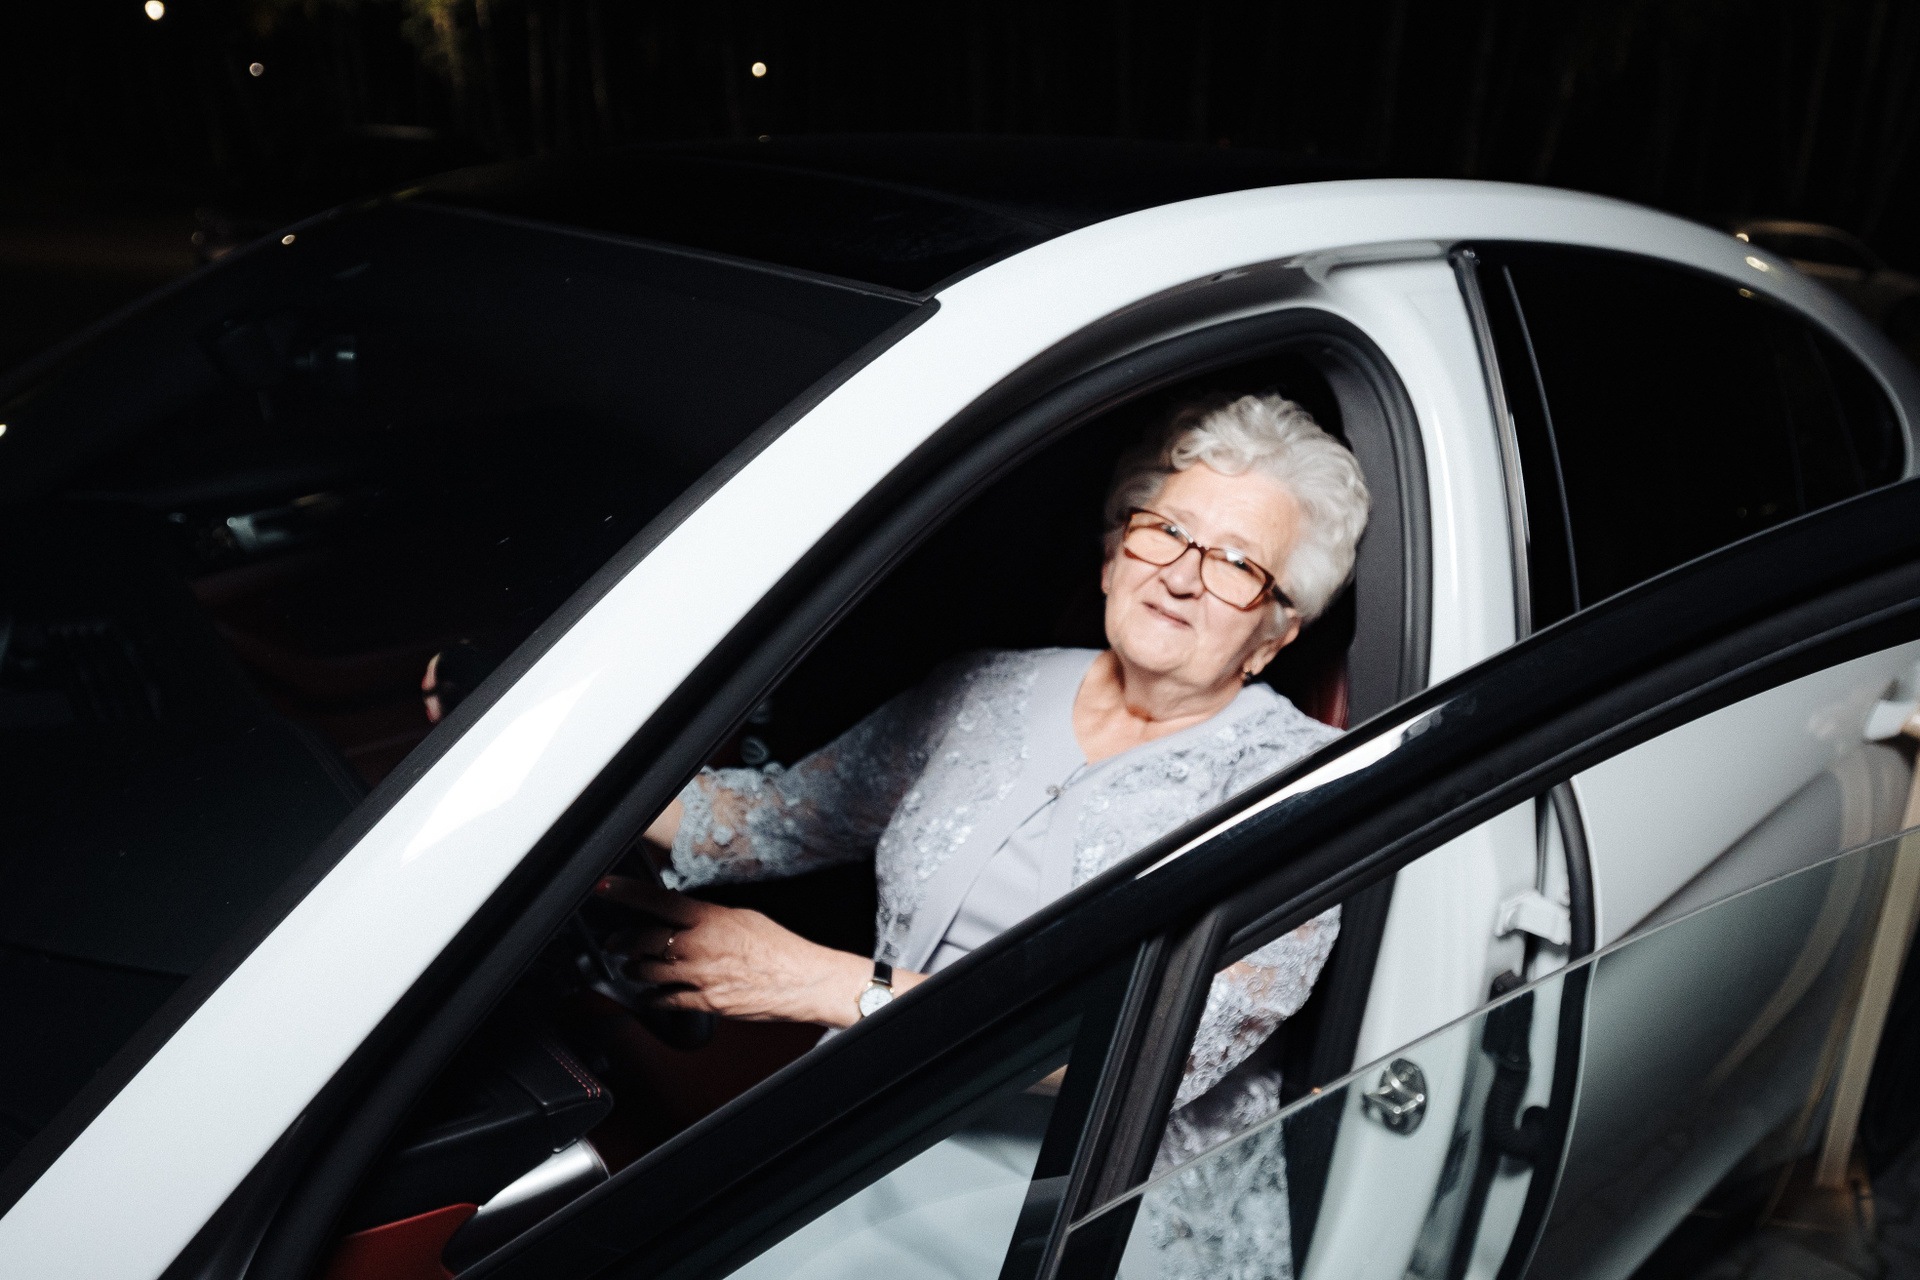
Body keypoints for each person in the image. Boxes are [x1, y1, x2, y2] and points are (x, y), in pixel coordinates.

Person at [602, 391, 1370, 1277]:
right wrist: (571, 768)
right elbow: (765, 821)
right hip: (867, 1127)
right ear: (1115, 556)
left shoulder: (1302, 783)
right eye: (1166, 530)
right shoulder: (984, 688)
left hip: (1095, 1198)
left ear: (1273, 633)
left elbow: (1151, 1050)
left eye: (1236, 562)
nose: (1183, 574)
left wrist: (823, 983)